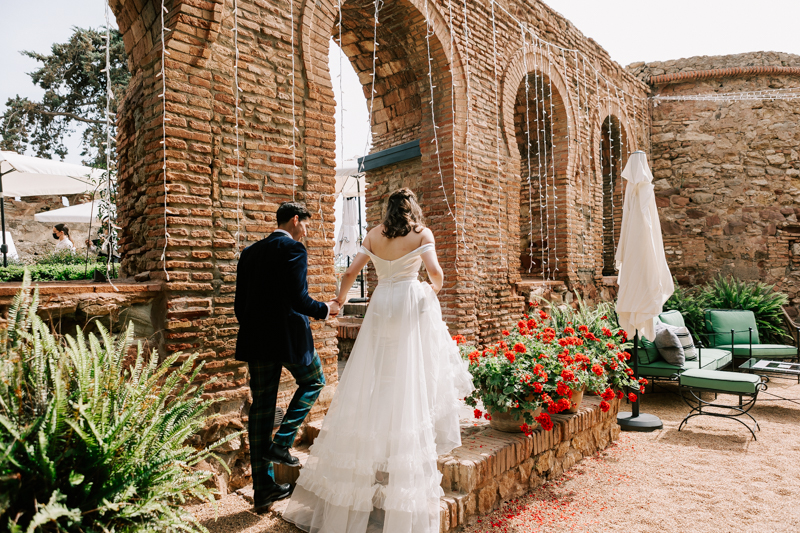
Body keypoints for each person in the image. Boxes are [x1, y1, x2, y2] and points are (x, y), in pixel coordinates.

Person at [283, 188, 473, 533]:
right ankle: (401, 435)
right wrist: (427, 293)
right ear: (413, 208)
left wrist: (339, 301)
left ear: (388, 210)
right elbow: (436, 275)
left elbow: (349, 273)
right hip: (406, 303)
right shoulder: (422, 234)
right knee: (409, 370)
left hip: (381, 304)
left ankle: (379, 432)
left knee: (380, 371)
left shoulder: (373, 235)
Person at [235, 202, 340, 514]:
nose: (306, 231)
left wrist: (255, 328)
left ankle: (263, 491)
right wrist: (326, 309)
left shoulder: (250, 253)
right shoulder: (293, 249)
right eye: (305, 224)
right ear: (295, 220)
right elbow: (299, 298)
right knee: (314, 380)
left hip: (256, 340)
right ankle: (282, 441)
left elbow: (240, 305)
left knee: (262, 409)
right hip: (289, 339)